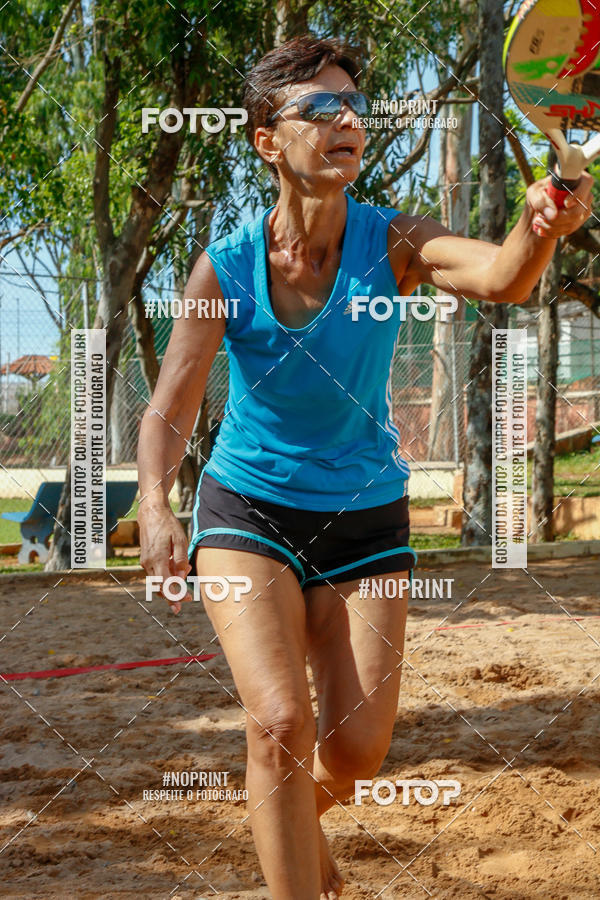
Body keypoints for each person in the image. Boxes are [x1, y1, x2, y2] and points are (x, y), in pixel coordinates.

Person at [137, 33, 591, 900]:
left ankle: (291, 824)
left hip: (365, 512)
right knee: (277, 722)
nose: (349, 120)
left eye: (356, 107)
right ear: (268, 139)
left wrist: (537, 227)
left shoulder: (395, 242)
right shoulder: (224, 267)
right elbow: (170, 405)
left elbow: (499, 279)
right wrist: (156, 506)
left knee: (356, 751)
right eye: (322, 108)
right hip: (248, 509)